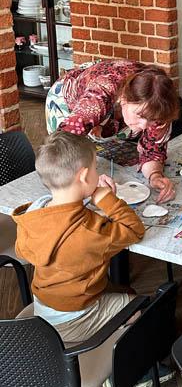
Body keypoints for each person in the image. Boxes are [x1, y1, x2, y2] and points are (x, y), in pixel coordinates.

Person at [12, 131, 145, 345]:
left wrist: (84, 197)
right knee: (140, 306)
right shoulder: (91, 231)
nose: (97, 174)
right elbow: (134, 229)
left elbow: (57, 221)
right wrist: (105, 198)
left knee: (120, 290)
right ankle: (123, 358)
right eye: (95, 169)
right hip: (75, 320)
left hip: (43, 310)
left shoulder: (33, 213)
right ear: (83, 176)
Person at [46, 60, 179, 203]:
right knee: (65, 170)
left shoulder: (158, 103)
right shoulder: (98, 96)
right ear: (124, 99)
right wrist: (91, 181)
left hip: (111, 105)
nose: (144, 125)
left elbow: (153, 151)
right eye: (140, 116)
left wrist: (155, 176)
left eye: (152, 120)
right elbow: (60, 148)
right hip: (68, 98)